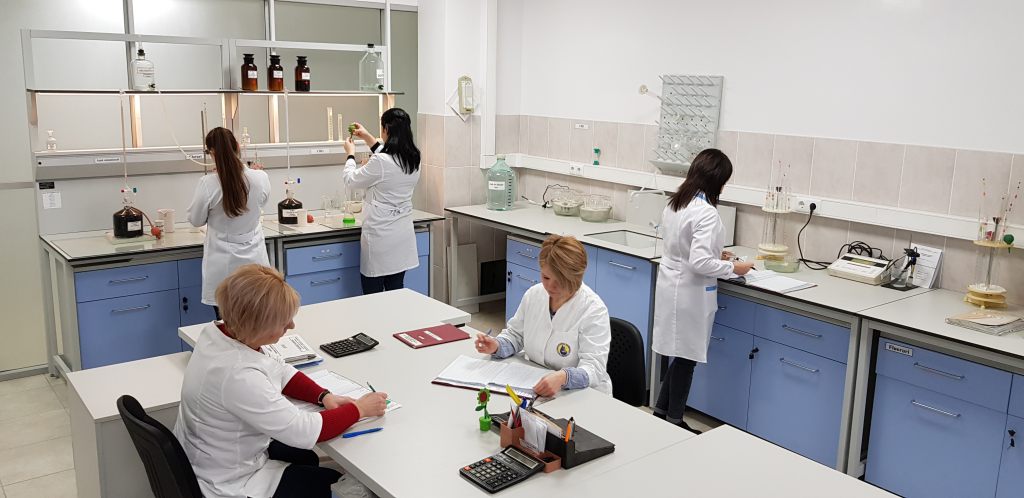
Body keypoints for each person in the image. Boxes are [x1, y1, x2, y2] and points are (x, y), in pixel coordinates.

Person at [174, 264, 389, 498]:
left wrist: (323, 396)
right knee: (335, 485)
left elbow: (280, 371)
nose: (291, 326)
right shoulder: (238, 374)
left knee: (305, 458)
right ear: (257, 325)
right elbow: (304, 431)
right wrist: (359, 409)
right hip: (229, 482)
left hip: (212, 457)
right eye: (283, 321)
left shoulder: (218, 333)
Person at [651, 148, 755, 433]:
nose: (724, 187)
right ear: (717, 181)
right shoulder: (707, 213)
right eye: (724, 181)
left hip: (673, 285)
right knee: (687, 358)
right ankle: (675, 421)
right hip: (690, 292)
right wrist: (735, 268)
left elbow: (683, 247)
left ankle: (660, 413)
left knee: (680, 355)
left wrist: (714, 254)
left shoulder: (676, 203)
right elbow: (698, 262)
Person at [473, 235, 612, 397]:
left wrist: (564, 377)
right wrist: (497, 345)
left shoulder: (593, 310)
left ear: (574, 279)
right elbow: (516, 335)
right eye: (545, 277)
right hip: (535, 386)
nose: (549, 286)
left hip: (581, 395)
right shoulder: (534, 295)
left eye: (559, 281)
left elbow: (594, 369)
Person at [187, 127, 272, 319]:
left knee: (228, 325)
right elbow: (262, 202)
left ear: (212, 153)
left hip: (222, 267)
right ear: (238, 146)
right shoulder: (260, 178)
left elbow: (196, 219)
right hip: (255, 263)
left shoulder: (208, 184)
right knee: (256, 322)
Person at [342, 108, 421, 295]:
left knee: (373, 294)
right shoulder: (414, 157)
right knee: (396, 290)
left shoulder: (381, 161)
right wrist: (368, 137)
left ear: (387, 129)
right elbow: (388, 159)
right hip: (401, 235)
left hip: (380, 237)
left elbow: (350, 180)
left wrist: (350, 155)